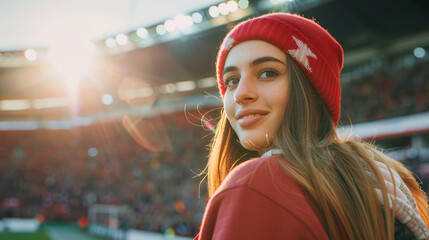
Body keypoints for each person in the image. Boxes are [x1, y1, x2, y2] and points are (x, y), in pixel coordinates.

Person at [195, 13, 429, 240]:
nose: (240, 93)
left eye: (268, 73)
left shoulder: (258, 182)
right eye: (232, 81)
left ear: (313, 92)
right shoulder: (372, 179)